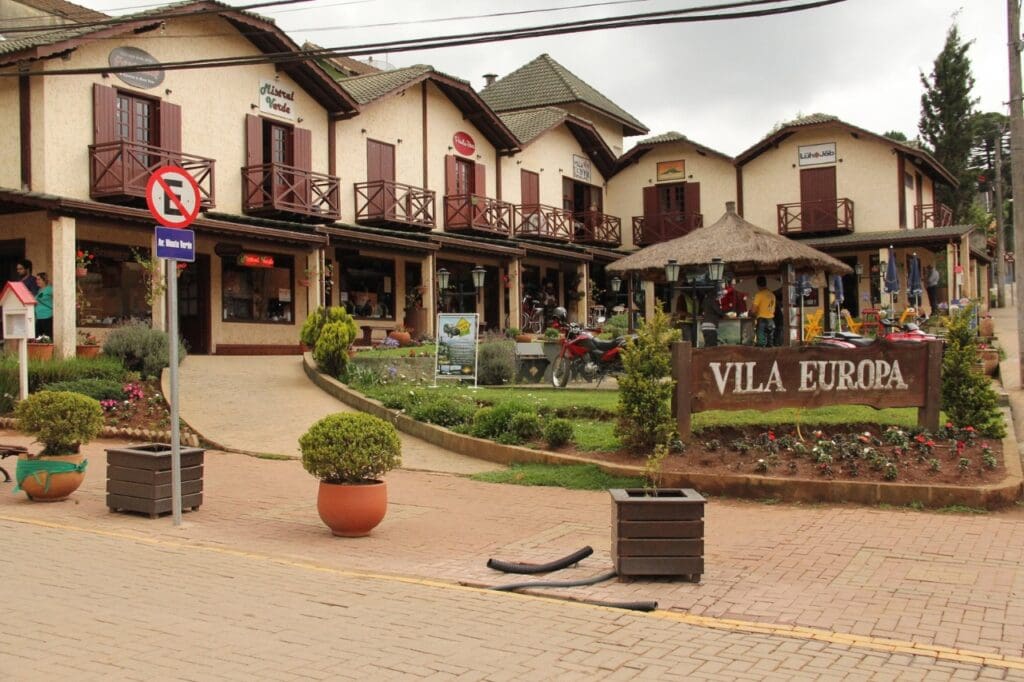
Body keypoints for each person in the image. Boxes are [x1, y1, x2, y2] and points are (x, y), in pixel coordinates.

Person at [751, 275, 776, 347]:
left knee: (761, 344)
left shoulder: (759, 295)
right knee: (770, 344)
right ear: (765, 283)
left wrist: (752, 313)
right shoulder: (772, 295)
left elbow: (753, 310)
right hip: (771, 321)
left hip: (762, 321)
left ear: (758, 285)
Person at [34, 272, 53, 339]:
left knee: (47, 336)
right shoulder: (39, 290)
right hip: (39, 317)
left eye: (39, 279)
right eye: (36, 279)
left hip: (47, 316)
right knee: (38, 337)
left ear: (44, 280)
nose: (37, 281)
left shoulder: (50, 289)